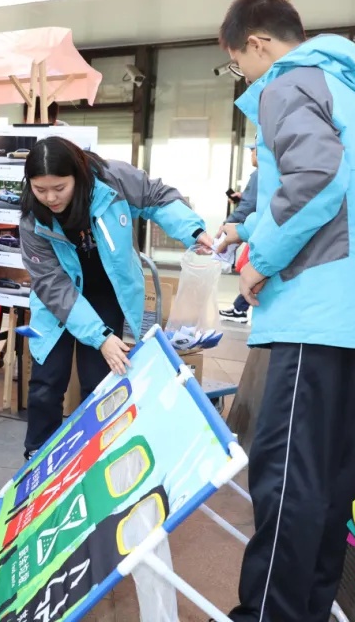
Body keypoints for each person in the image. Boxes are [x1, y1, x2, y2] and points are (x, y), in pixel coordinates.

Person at [215, 0, 355, 622]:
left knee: (285, 479)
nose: (244, 76)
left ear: (258, 44)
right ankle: (306, 611)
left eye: (238, 63)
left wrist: (260, 260)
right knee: (327, 482)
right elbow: (329, 185)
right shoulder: (344, 87)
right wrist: (248, 226)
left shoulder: (287, 83)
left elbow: (315, 179)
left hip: (317, 310)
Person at [20, 137, 212, 459]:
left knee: (101, 380)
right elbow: (53, 285)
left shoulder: (113, 180)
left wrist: (193, 231)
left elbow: (156, 197)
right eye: (41, 189)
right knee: (46, 381)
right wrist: (100, 336)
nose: (50, 198)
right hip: (58, 301)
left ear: (77, 175)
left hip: (108, 292)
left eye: (59, 188)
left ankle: (93, 456)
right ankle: (38, 456)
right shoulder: (31, 218)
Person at [0, 99, 65, 373]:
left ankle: (25, 355)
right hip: (14, 227)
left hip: (51, 233)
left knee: (39, 296)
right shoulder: (13, 138)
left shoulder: (64, 142)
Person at [220, 141, 259, 324]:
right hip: (259, 230)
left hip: (260, 233)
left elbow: (249, 206)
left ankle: (239, 309)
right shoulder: (271, 174)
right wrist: (242, 196)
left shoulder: (260, 174)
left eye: (253, 150)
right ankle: (239, 307)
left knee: (256, 268)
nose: (251, 154)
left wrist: (228, 225)